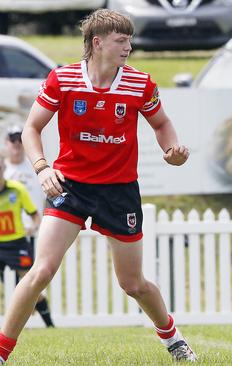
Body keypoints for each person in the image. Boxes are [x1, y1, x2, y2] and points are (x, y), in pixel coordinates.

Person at [0, 9, 196, 363]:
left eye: (130, 40)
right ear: (97, 43)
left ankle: (173, 338)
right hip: (70, 186)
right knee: (41, 270)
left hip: (119, 191)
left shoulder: (140, 83)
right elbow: (32, 128)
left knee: (132, 283)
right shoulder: (62, 79)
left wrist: (172, 150)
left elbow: (162, 123)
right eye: (121, 41)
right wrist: (43, 168)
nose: (129, 47)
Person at [0, 154, 53, 328]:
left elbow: (34, 214)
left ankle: (50, 325)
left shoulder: (17, 189)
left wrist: (39, 231)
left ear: (4, 168)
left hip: (17, 243)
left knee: (31, 283)